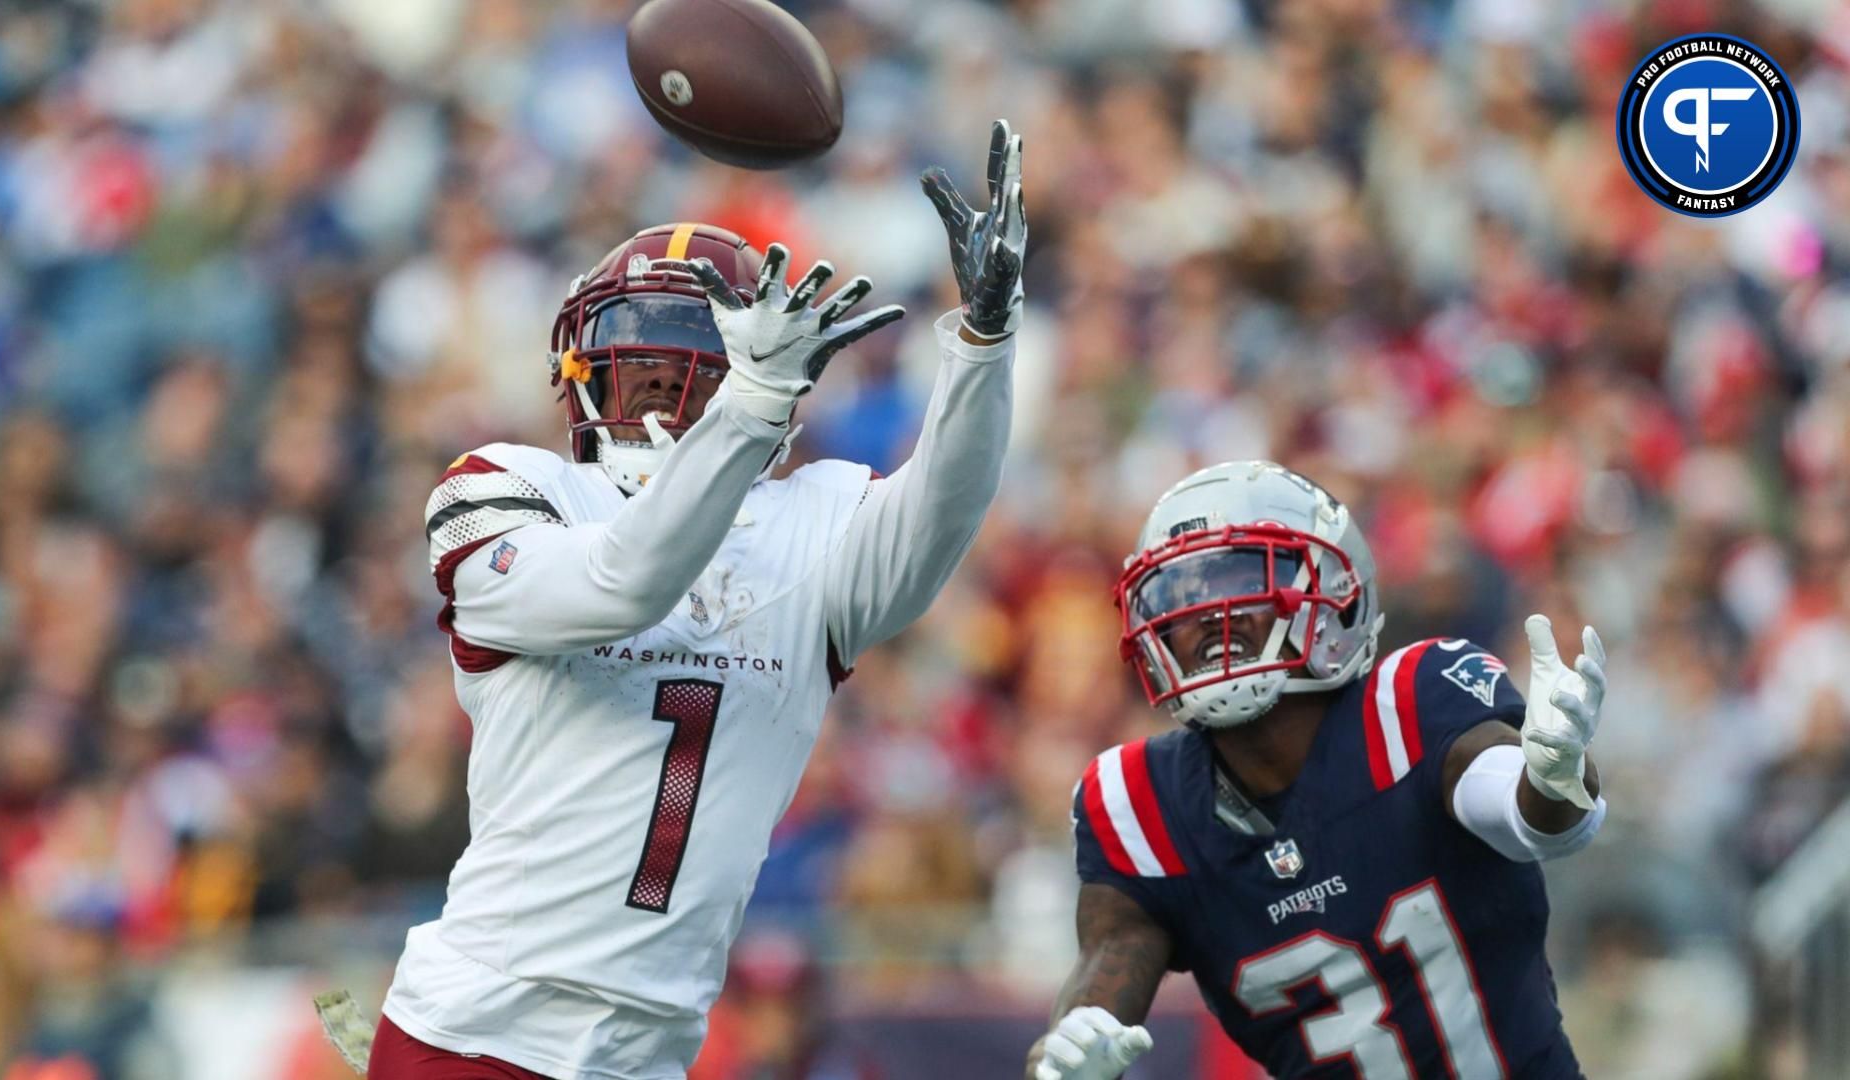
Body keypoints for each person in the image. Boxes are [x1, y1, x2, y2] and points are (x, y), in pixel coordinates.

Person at [361, 121, 1027, 1080]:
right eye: (641, 340)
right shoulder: (510, 488)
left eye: (690, 344)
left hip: (655, 1048)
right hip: (479, 1030)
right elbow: (621, 583)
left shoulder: (817, 518)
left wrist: (984, 342)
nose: (662, 367)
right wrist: (748, 404)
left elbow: (941, 517)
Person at [1026, 462, 1610, 1080]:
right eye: (1179, 593)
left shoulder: (1411, 702)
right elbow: (1090, 1007)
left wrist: (1552, 774)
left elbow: (1530, 816)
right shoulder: (1140, 802)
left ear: (1336, 592)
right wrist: (1059, 1070)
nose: (1206, 612)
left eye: (1238, 575)